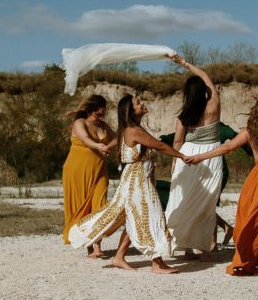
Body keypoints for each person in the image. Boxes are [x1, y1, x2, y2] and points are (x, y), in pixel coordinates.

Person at [68, 94, 186, 274]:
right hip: (137, 181)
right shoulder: (133, 130)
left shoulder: (131, 129)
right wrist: (182, 156)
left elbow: (129, 143)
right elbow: (160, 146)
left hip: (136, 179)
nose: (142, 104)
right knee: (151, 215)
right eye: (138, 103)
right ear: (131, 110)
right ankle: (157, 264)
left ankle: (119, 257)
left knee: (135, 217)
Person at [187, 96, 258, 275]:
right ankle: (250, 259)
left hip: (256, 176)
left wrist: (200, 157)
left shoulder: (250, 131)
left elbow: (227, 148)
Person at [163, 54, 224, 261]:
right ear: (204, 91)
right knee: (206, 204)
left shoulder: (184, 116)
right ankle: (204, 248)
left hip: (187, 156)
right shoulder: (214, 104)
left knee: (184, 201)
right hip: (210, 156)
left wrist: (175, 161)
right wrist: (184, 63)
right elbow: (206, 77)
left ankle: (186, 248)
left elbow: (177, 141)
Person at [160, 122, 250, 251]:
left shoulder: (218, 127)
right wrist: (160, 141)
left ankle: (212, 243)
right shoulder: (192, 125)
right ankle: (223, 230)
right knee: (197, 203)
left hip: (214, 169)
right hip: (195, 167)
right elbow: (175, 137)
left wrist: (253, 150)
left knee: (208, 204)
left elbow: (236, 137)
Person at [62, 94, 116, 258]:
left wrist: (107, 146)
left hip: (99, 170)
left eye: (103, 114)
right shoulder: (80, 123)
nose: (100, 117)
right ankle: (89, 247)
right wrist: (99, 146)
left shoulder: (103, 125)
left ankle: (97, 246)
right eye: (98, 114)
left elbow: (118, 138)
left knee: (100, 206)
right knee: (83, 207)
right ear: (89, 110)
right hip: (77, 170)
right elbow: (85, 139)